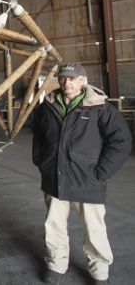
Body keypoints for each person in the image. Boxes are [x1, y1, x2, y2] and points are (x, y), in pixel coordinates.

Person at [32, 63, 131, 285]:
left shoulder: (100, 108)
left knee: (94, 229)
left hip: (88, 180)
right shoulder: (47, 107)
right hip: (54, 178)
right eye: (63, 78)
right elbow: (38, 135)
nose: (67, 82)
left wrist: (102, 171)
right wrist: (41, 161)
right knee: (53, 225)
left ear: (83, 80)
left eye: (73, 78)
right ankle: (56, 266)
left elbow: (121, 141)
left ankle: (99, 272)